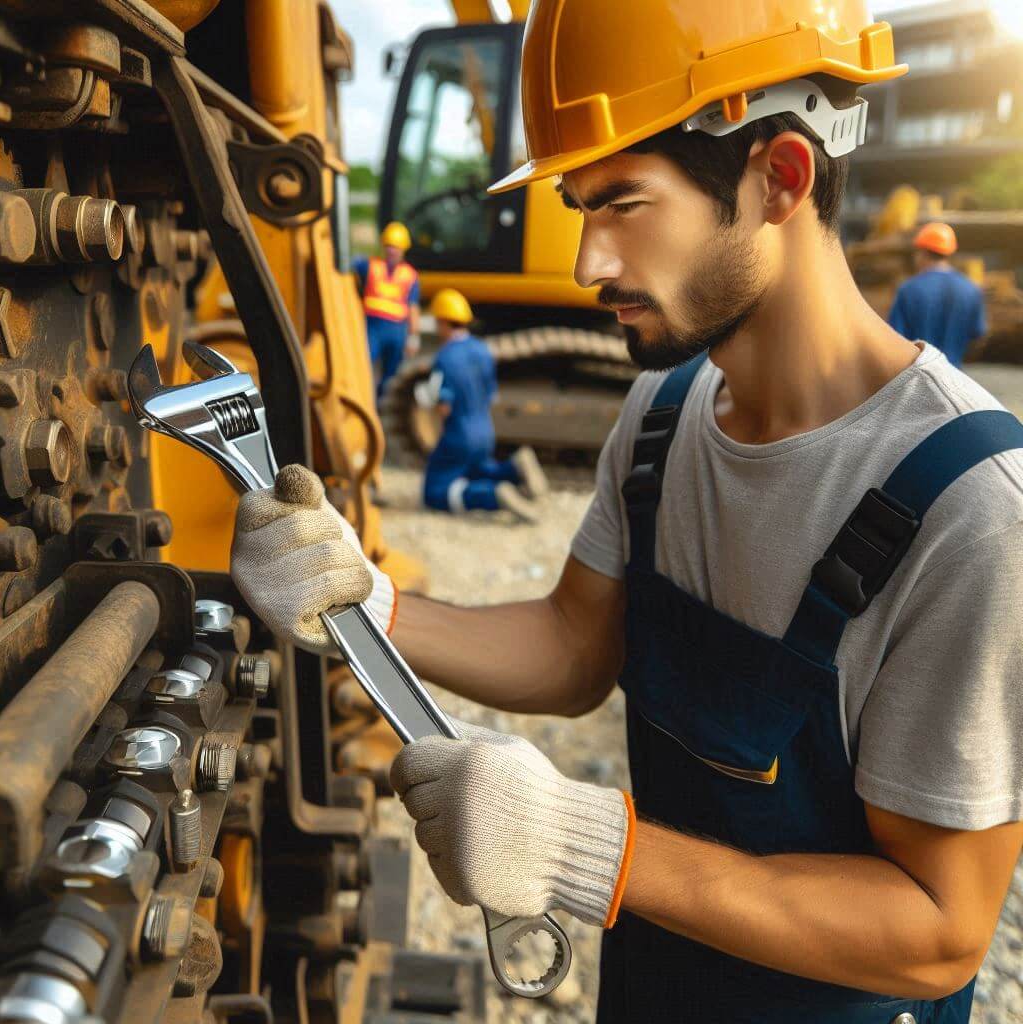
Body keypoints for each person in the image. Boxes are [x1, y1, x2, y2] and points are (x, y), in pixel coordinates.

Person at [231, 3, 1023, 1021]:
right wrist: (362, 604)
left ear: (779, 178)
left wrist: (586, 846)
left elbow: (938, 933)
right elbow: (573, 643)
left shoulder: (968, 511)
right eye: (579, 206)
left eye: (624, 206)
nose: (586, 263)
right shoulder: (662, 416)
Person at [415, 288, 549, 522]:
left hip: (459, 434)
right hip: (484, 431)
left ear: (443, 322)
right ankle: (513, 469)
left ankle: (493, 496)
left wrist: (429, 401)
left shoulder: (445, 358)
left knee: (435, 491)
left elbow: (444, 407)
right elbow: (490, 394)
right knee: (476, 470)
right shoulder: (482, 350)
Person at [888, 222, 987, 367]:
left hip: (917, 375)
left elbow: (895, 338)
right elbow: (977, 334)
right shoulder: (971, 290)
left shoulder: (909, 289)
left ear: (922, 252)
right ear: (949, 253)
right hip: (955, 374)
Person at [353, 221, 421, 401]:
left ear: (403, 250)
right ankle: (363, 400)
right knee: (363, 367)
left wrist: (413, 337)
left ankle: (381, 401)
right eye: (389, 246)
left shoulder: (410, 275)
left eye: (396, 247)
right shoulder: (369, 266)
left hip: (397, 330)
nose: (392, 251)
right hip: (372, 326)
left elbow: (413, 307)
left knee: (392, 373)